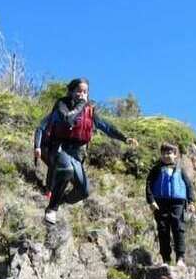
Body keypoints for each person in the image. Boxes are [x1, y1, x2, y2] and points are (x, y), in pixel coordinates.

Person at [34, 78, 136, 224]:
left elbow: (106, 127)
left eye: (85, 92)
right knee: (66, 170)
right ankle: (52, 209)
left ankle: (60, 200)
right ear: (71, 92)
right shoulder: (62, 105)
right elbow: (65, 120)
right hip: (59, 148)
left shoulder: (90, 110)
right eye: (79, 91)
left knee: (84, 191)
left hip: (77, 153)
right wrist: (37, 146)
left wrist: (124, 138)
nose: (82, 94)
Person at [146, 142, 195, 266]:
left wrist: (191, 201)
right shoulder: (156, 169)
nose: (166, 156)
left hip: (178, 203)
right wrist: (151, 201)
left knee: (178, 229)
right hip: (160, 203)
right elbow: (149, 185)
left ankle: (180, 258)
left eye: (169, 153)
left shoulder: (180, 169)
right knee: (163, 230)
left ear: (175, 155)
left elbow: (188, 185)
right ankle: (166, 259)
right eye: (164, 153)